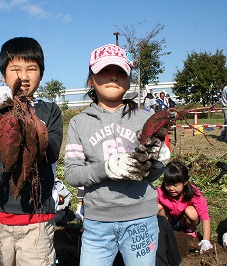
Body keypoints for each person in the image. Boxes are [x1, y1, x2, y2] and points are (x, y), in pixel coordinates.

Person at [64, 43, 170, 265]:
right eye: (104, 71)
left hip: (141, 218)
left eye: (121, 72)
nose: (113, 76)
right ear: (91, 79)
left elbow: (150, 176)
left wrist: (159, 163)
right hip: (97, 222)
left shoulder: (144, 119)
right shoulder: (79, 123)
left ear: (129, 79)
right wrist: (105, 168)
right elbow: (72, 175)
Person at [0, 37, 63, 265]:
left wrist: (30, 123)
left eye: (32, 69)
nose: (24, 77)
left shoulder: (50, 111)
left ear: (41, 74)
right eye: (15, 69)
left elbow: (52, 152)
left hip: (36, 216)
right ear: (3, 75)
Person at [157, 160, 213, 254]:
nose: (171, 188)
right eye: (168, 184)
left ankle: (189, 230)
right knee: (157, 207)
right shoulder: (160, 192)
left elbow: (204, 216)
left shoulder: (193, 193)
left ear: (185, 182)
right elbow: (149, 210)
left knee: (191, 211)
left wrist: (206, 240)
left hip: (184, 221)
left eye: (175, 185)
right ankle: (164, 230)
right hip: (168, 219)